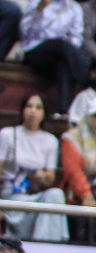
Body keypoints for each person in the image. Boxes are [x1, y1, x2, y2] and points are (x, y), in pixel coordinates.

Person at [20, 0, 90, 113]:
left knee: (65, 64)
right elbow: (25, 32)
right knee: (60, 45)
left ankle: (63, 111)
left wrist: (68, 45)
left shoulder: (74, 7)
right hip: (35, 49)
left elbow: (76, 37)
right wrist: (39, 10)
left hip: (61, 54)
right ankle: (85, 74)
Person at [0, 94, 67, 243]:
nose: (33, 111)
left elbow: (50, 179)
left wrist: (42, 176)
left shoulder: (51, 140)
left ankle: (47, 246)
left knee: (56, 195)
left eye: (38, 108)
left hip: (34, 196)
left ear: (44, 113)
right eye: (29, 106)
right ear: (22, 110)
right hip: (11, 197)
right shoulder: (7, 134)